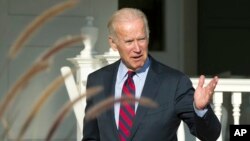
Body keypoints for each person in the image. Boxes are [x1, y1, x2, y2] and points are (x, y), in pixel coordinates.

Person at [82, 8, 221, 141]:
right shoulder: (97, 80)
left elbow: (210, 136)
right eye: (129, 41)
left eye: (141, 39)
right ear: (113, 43)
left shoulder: (174, 83)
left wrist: (200, 109)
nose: (137, 48)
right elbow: (91, 137)